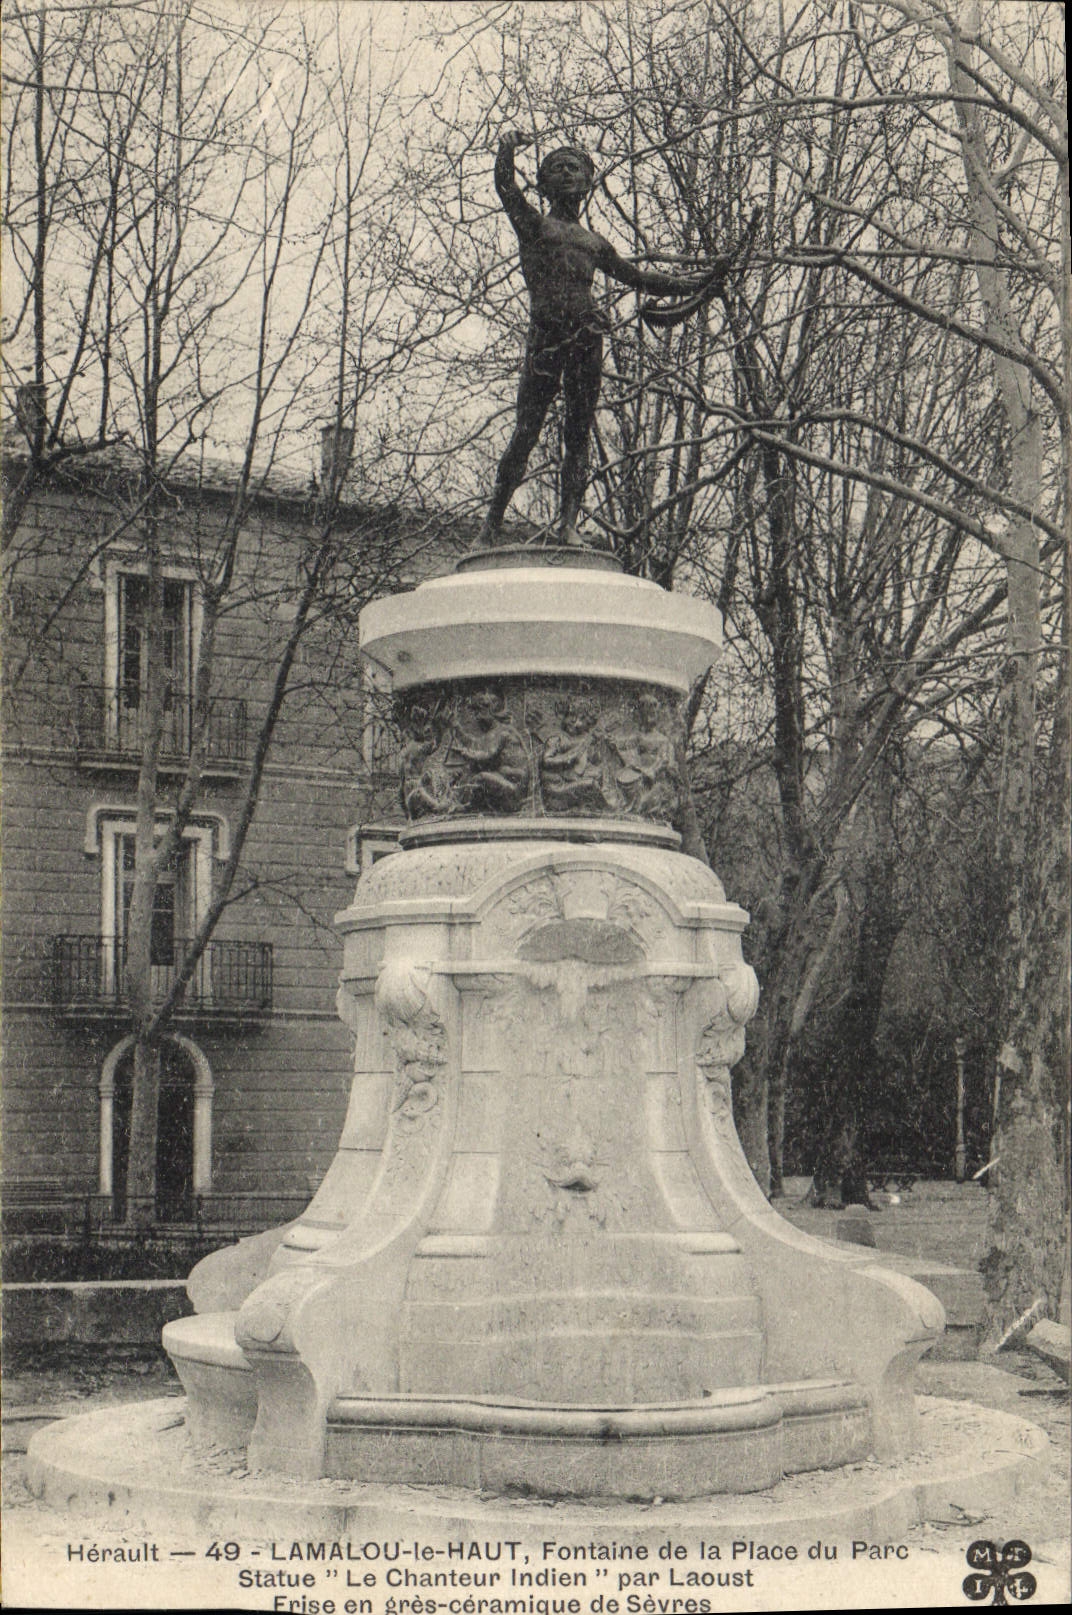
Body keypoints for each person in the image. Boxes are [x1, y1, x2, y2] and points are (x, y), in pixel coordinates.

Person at [479, 130, 731, 548]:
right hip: (546, 340)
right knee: (526, 431)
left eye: (574, 167)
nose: (565, 172)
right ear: (542, 183)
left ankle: (567, 525)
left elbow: (643, 278)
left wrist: (700, 283)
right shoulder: (535, 225)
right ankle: (491, 525)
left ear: (586, 182)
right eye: (556, 166)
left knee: (578, 432)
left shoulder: (594, 243)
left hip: (586, 339)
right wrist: (506, 149)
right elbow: (505, 187)